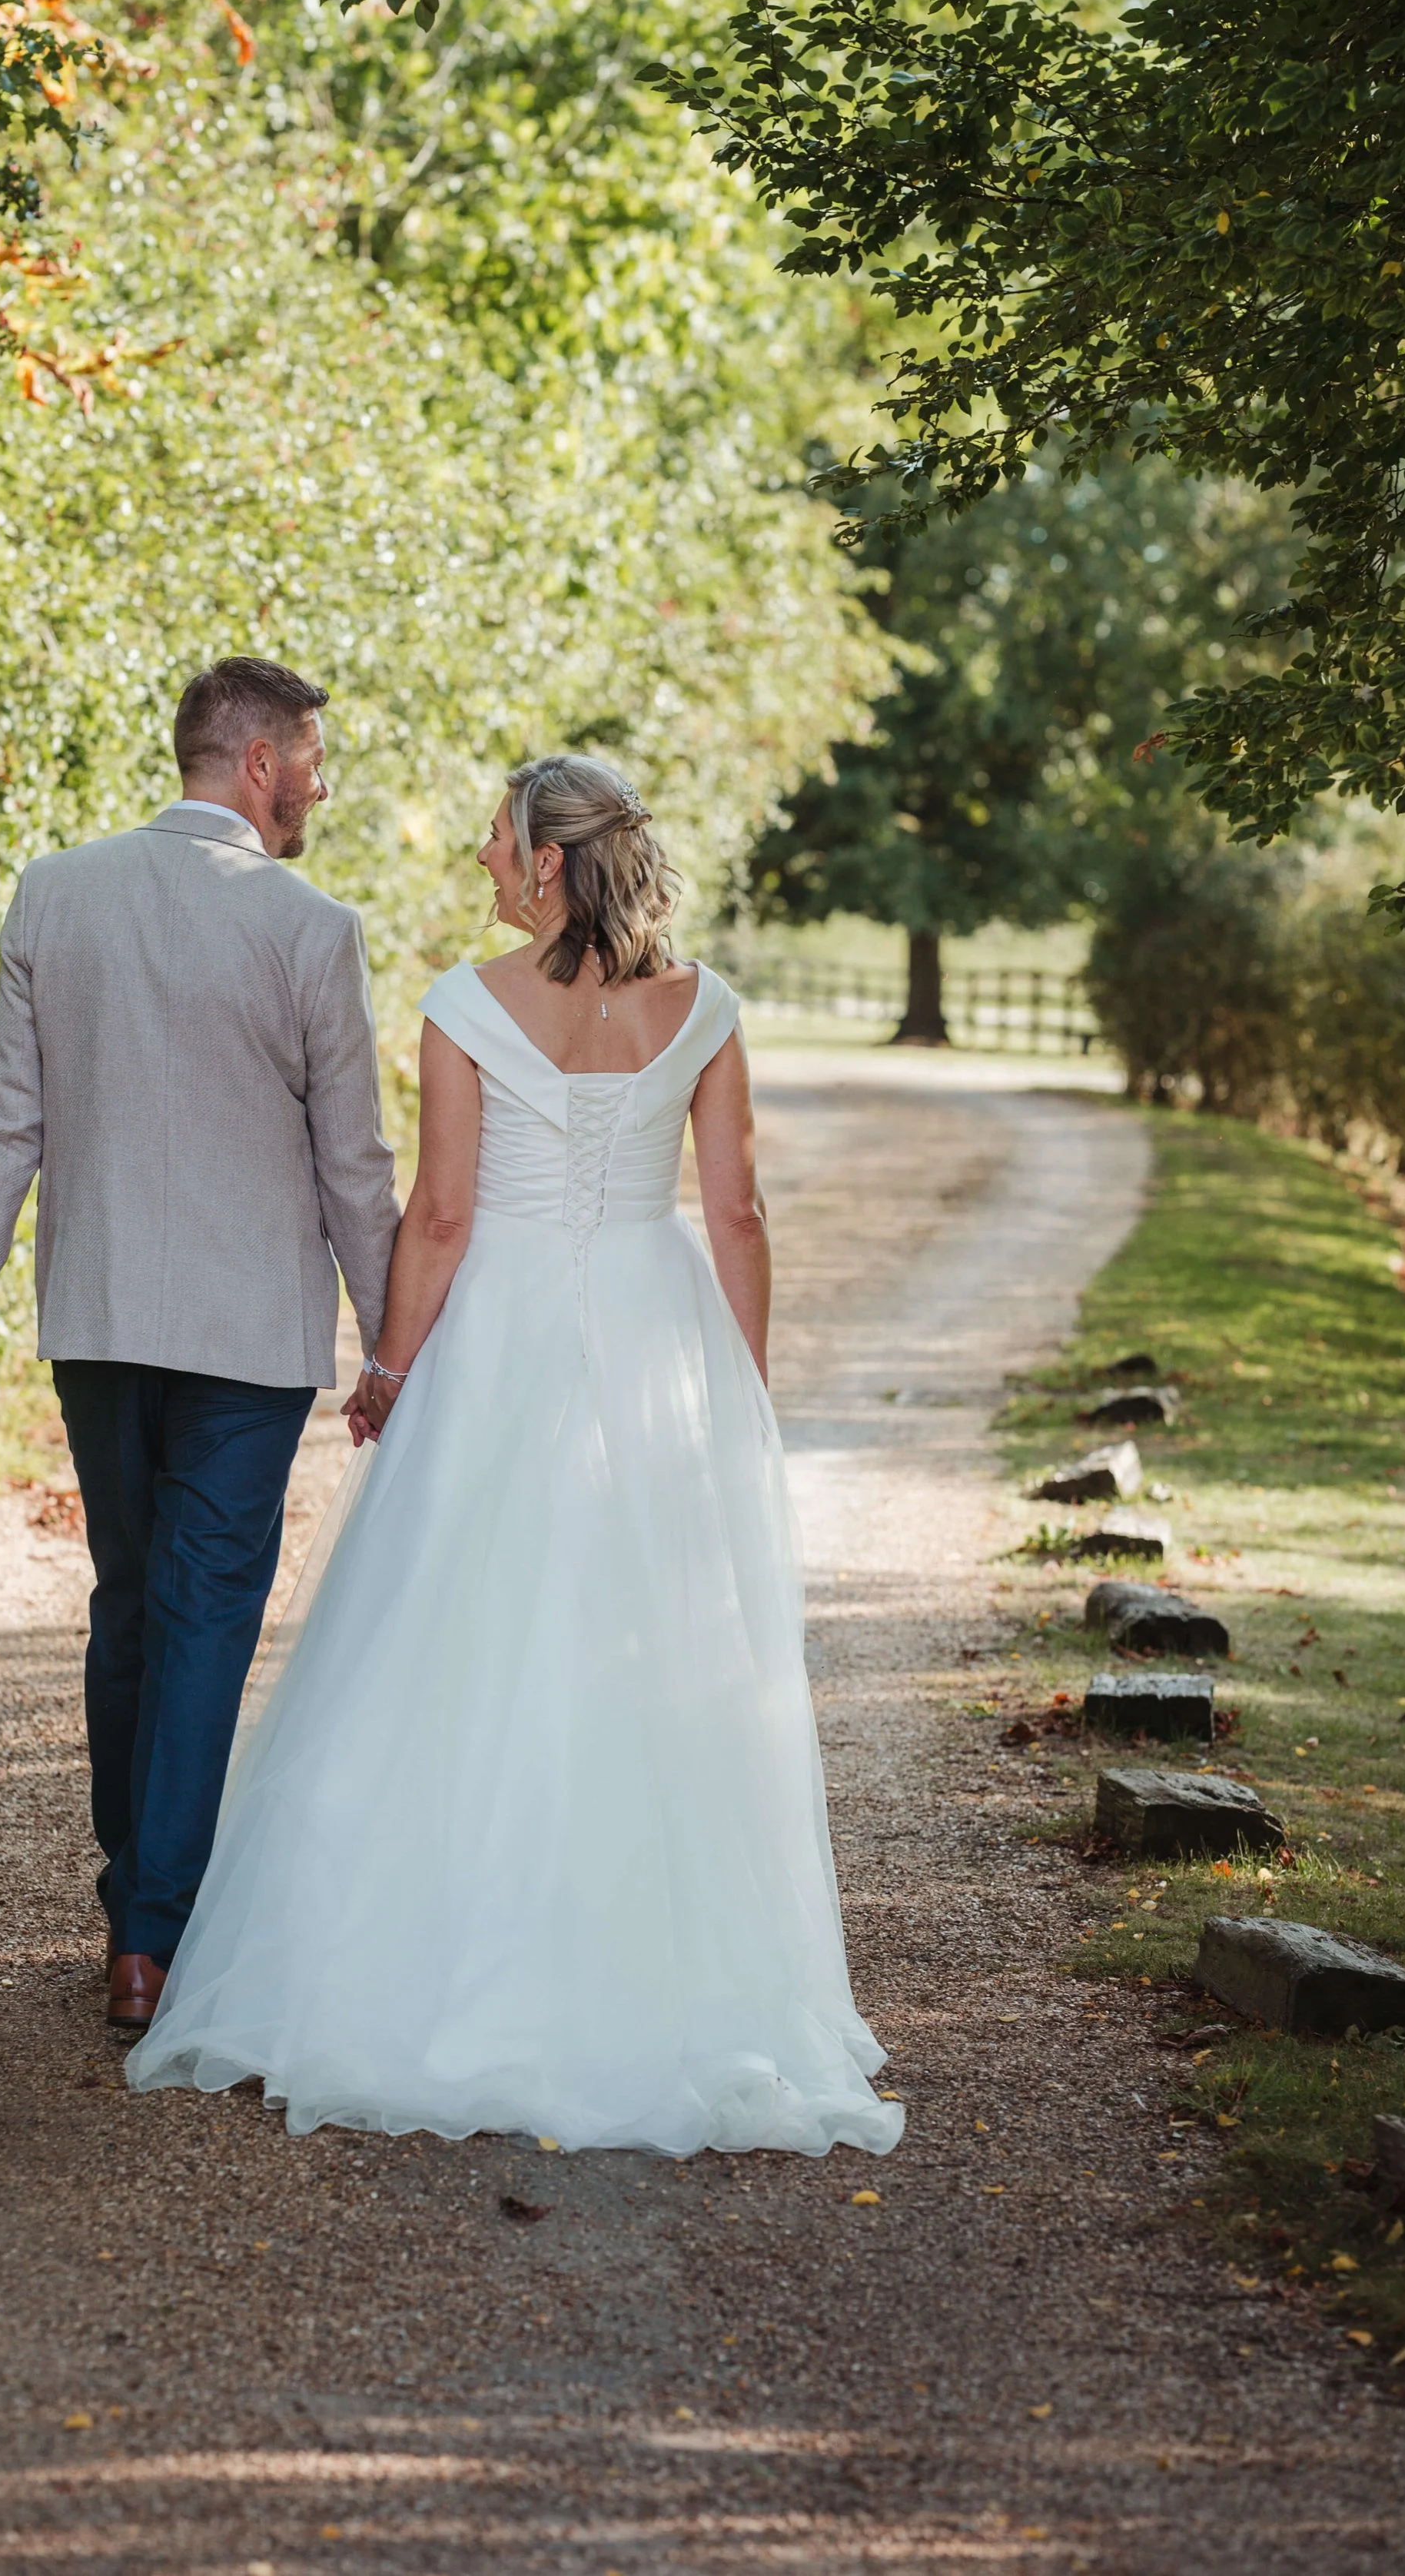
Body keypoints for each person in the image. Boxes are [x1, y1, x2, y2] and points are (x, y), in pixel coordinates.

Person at [128, 755, 902, 2157]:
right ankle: (666, 1985)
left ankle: (421, 1967)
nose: (483, 855)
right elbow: (736, 1214)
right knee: (650, 1646)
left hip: (503, 1334)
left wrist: (393, 1368)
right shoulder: (704, 1008)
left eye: (497, 836)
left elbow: (438, 1215)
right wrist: (743, 1385)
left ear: (548, 861)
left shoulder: (465, 1004)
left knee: (455, 1634)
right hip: (657, 1327)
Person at [0, 656, 399, 2029]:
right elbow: (353, 1168)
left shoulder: (55, 892)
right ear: (258, 763)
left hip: (102, 1323)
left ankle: (134, 1900)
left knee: (129, 1602)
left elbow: (5, 1124)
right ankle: (152, 1934)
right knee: (201, 1619)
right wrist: (393, 1345)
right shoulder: (314, 929)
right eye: (312, 756)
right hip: (251, 1343)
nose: (320, 781)